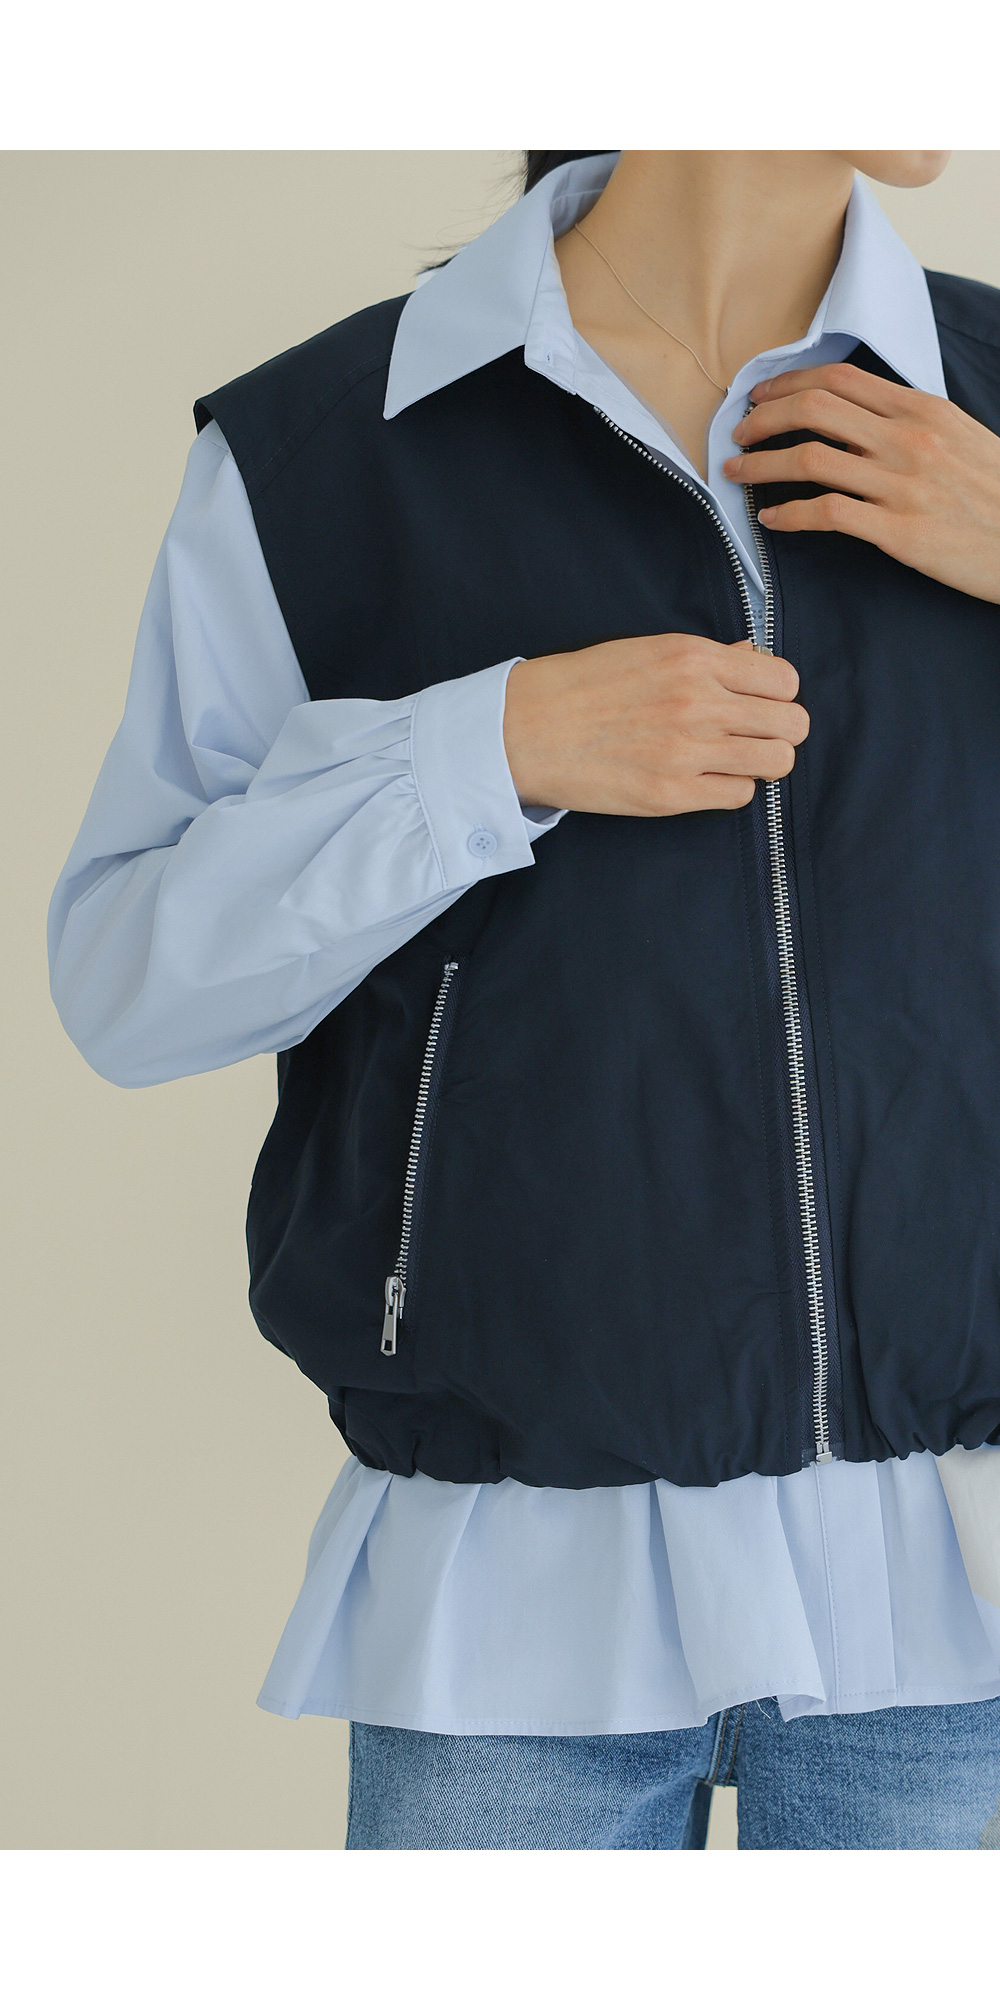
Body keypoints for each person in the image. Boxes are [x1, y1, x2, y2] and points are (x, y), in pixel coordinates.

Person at [47, 150, 1000, 1850]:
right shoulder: (331, 450)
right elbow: (131, 985)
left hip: (964, 1594)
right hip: (512, 1604)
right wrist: (482, 749)